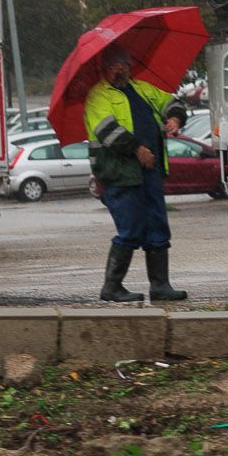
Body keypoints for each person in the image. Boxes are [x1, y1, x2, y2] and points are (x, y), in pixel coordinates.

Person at [84, 49, 187, 303]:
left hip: (150, 172)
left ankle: (160, 286)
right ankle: (112, 287)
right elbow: (107, 131)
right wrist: (137, 149)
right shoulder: (98, 96)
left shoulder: (143, 89)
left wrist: (175, 118)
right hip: (119, 173)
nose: (121, 69)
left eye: (125, 64)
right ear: (104, 69)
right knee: (130, 227)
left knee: (157, 227)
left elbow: (171, 102)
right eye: (115, 65)